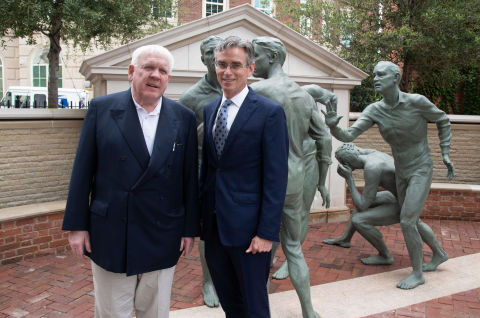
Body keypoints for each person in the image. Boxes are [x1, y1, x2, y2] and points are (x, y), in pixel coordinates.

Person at [62, 45, 199, 317]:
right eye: (149, 68)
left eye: (163, 70)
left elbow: (188, 178)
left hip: (163, 230)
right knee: (113, 312)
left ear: (168, 78)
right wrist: (76, 226)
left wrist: (189, 228)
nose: (155, 75)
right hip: (111, 231)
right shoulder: (102, 109)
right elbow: (82, 171)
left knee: (155, 312)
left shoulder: (183, 118)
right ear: (131, 72)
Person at [322, 61, 455, 289]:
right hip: (401, 171)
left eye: (381, 74)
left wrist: (445, 152)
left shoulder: (416, 103)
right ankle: (439, 254)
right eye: (374, 74)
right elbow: (349, 134)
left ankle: (417, 273)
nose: (375, 78)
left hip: (421, 168)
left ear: (395, 77)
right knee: (410, 218)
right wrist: (333, 126)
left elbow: (442, 119)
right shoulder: (375, 110)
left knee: (407, 220)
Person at [200, 36, 289, 317]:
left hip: (250, 234)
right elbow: (209, 171)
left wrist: (266, 233)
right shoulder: (210, 109)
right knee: (231, 304)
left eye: (235, 65)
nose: (228, 71)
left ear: (250, 69)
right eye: (222, 64)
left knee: (254, 306)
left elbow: (276, 179)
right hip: (215, 231)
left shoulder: (269, 113)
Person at [250, 36, 331, 318]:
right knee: (293, 247)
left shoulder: (257, 91)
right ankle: (308, 311)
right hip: (296, 179)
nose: (252, 62)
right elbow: (324, 139)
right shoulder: (304, 96)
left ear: (272, 57)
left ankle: (256, 308)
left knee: (257, 249)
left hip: (266, 182)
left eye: (256, 56)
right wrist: (321, 180)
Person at [326, 143, 448, 269]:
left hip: (405, 202)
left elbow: (362, 205)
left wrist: (349, 179)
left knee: (359, 220)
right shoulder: (371, 152)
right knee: (416, 222)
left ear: (348, 163)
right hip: (398, 195)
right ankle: (346, 239)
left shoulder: (372, 167)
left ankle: (385, 256)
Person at [271, 84, 337, 281]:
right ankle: (270, 256)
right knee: (275, 215)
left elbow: (332, 99)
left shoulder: (308, 91)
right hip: (284, 158)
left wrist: (331, 120)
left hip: (309, 159)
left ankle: (290, 261)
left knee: (300, 215)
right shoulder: (268, 93)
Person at [179, 35, 223, 308]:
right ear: (204, 58)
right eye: (211, 54)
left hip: (236, 174)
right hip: (202, 171)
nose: (217, 59)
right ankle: (209, 280)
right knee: (207, 231)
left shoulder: (241, 88)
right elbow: (180, 144)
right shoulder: (190, 98)